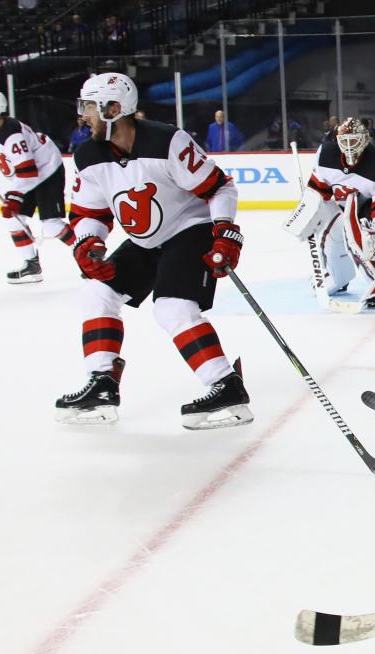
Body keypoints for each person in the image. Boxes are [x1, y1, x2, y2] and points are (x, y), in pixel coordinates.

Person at [55, 73, 252, 430]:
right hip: (146, 242)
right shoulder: (88, 155)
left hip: (190, 230)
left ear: (113, 109)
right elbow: (88, 213)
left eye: (89, 107)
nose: (83, 115)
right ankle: (101, 382)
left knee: (172, 307)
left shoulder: (168, 141)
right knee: (97, 292)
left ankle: (226, 387)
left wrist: (224, 232)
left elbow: (219, 187)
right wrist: (89, 243)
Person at [282, 117, 375, 309]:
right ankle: (338, 277)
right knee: (329, 234)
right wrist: (306, 213)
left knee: (365, 239)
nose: (350, 146)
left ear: (365, 139)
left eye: (354, 141)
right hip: (341, 208)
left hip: (366, 213)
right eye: (345, 141)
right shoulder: (326, 154)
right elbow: (319, 193)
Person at [0, 89, 75, 283]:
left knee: (51, 225)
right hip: (31, 174)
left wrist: (14, 197)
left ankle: (89, 256)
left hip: (48, 171)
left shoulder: (13, 136)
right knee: (13, 220)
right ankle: (31, 266)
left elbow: (28, 172)